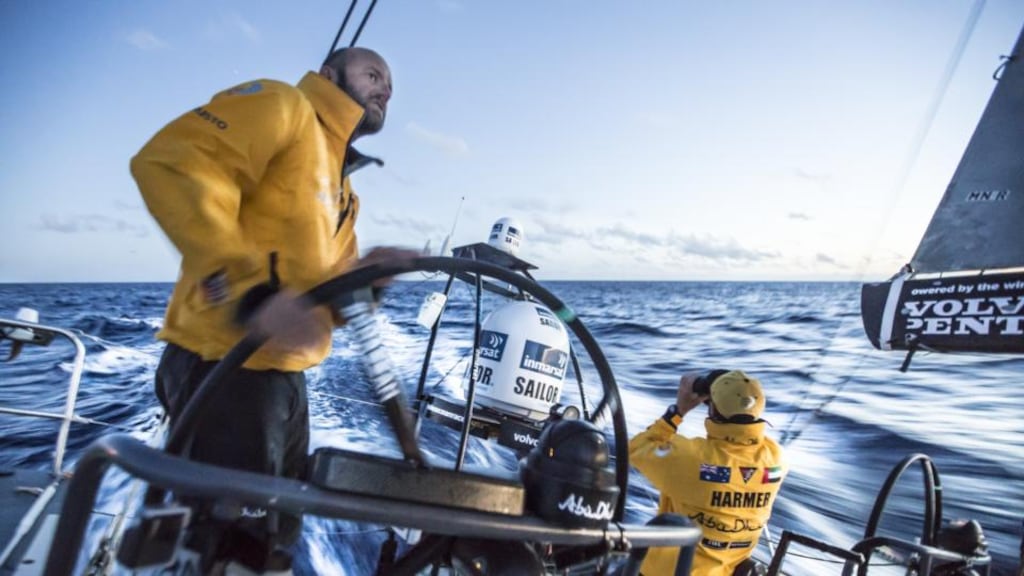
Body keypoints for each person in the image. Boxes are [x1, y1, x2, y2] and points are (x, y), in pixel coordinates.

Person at [131, 46, 414, 575]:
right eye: (373, 73)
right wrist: (248, 291)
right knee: (222, 551)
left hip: (283, 384)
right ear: (329, 74)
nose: (385, 89)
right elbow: (172, 161)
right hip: (223, 368)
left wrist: (370, 277)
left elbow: (324, 293)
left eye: (390, 84)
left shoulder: (344, 189)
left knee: (271, 546)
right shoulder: (281, 105)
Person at [629, 370, 786, 576]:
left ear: (712, 409)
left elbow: (636, 449)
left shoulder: (690, 457)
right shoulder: (776, 459)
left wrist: (678, 411)